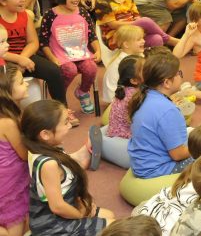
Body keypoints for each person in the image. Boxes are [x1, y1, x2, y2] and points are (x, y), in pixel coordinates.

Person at [21, 99, 114, 235]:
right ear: (45, 134)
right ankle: (82, 156)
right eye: (65, 123)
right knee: (113, 227)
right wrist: (81, 214)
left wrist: (85, 204)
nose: (70, 126)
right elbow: (58, 207)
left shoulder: (42, 148)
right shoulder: (48, 164)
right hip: (52, 225)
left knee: (109, 214)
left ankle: (80, 157)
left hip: (67, 207)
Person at [0, 0, 73, 124]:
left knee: (53, 70)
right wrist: (19, 60)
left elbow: (33, 42)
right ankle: (9, 117)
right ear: (2, 1)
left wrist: (23, 58)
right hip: (4, 58)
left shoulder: (25, 15)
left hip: (26, 56)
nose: (23, 0)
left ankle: (63, 111)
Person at [39, 0, 101, 114]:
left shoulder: (83, 13)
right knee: (70, 70)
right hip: (60, 56)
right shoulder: (50, 15)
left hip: (81, 53)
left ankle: (82, 92)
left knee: (91, 68)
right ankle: (59, 98)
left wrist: (98, 50)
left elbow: (92, 36)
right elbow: (43, 42)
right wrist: (52, 58)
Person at [128, 51, 192, 179]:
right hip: (158, 171)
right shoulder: (168, 110)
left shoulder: (145, 96)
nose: (181, 77)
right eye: (179, 73)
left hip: (143, 165)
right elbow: (178, 155)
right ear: (167, 83)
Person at [95, 0, 178, 51]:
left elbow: (136, 15)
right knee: (145, 21)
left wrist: (138, 26)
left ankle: (152, 62)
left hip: (133, 32)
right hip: (116, 36)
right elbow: (113, 25)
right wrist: (137, 24)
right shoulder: (102, 2)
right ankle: (169, 40)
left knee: (157, 38)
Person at [0, 63, 30, 236]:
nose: (26, 84)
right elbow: (25, 155)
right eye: (20, 82)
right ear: (7, 92)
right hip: (8, 183)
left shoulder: (12, 113)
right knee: (14, 228)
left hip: (12, 177)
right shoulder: (8, 122)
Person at [101, 55, 143, 169]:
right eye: (145, 70)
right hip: (124, 136)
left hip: (115, 130)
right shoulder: (136, 96)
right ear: (134, 80)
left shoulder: (125, 89)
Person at [101, 25, 145, 102]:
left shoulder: (138, 55)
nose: (143, 41)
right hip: (117, 100)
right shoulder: (124, 63)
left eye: (142, 38)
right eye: (139, 39)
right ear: (126, 45)